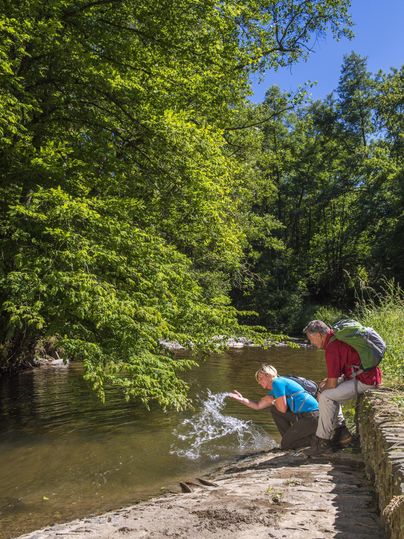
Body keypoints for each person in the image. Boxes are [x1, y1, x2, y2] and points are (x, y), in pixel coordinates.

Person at [304, 319, 382, 456]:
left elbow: (332, 384)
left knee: (326, 397)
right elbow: (336, 375)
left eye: (311, 339)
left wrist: (322, 389)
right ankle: (342, 433)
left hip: (365, 380)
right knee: (326, 389)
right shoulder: (336, 339)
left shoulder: (332, 349)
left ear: (319, 335)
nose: (311, 343)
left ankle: (322, 442)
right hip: (364, 375)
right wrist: (326, 382)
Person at [229, 365, 319, 450]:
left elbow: (283, 409)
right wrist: (241, 399)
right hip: (303, 416)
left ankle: (315, 441)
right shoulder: (275, 389)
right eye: (258, 380)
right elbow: (258, 406)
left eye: (260, 378)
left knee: (285, 445)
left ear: (268, 375)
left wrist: (272, 401)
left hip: (312, 416)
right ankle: (289, 439)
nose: (259, 382)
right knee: (275, 410)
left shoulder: (277, 382)